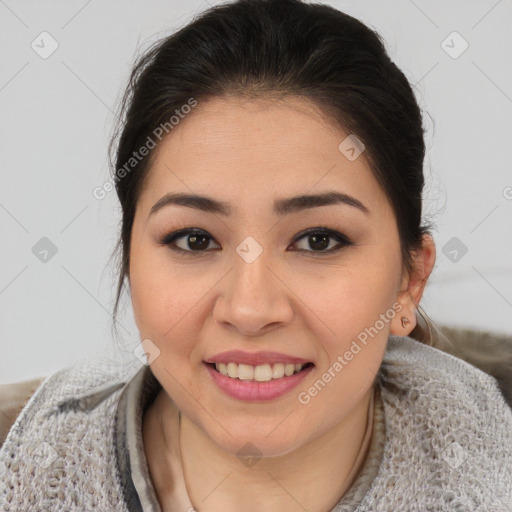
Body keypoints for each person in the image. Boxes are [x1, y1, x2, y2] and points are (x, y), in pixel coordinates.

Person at [1, 0, 511, 510]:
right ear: (131, 261)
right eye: (195, 239)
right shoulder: (23, 464)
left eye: (318, 240)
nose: (249, 310)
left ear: (410, 280)